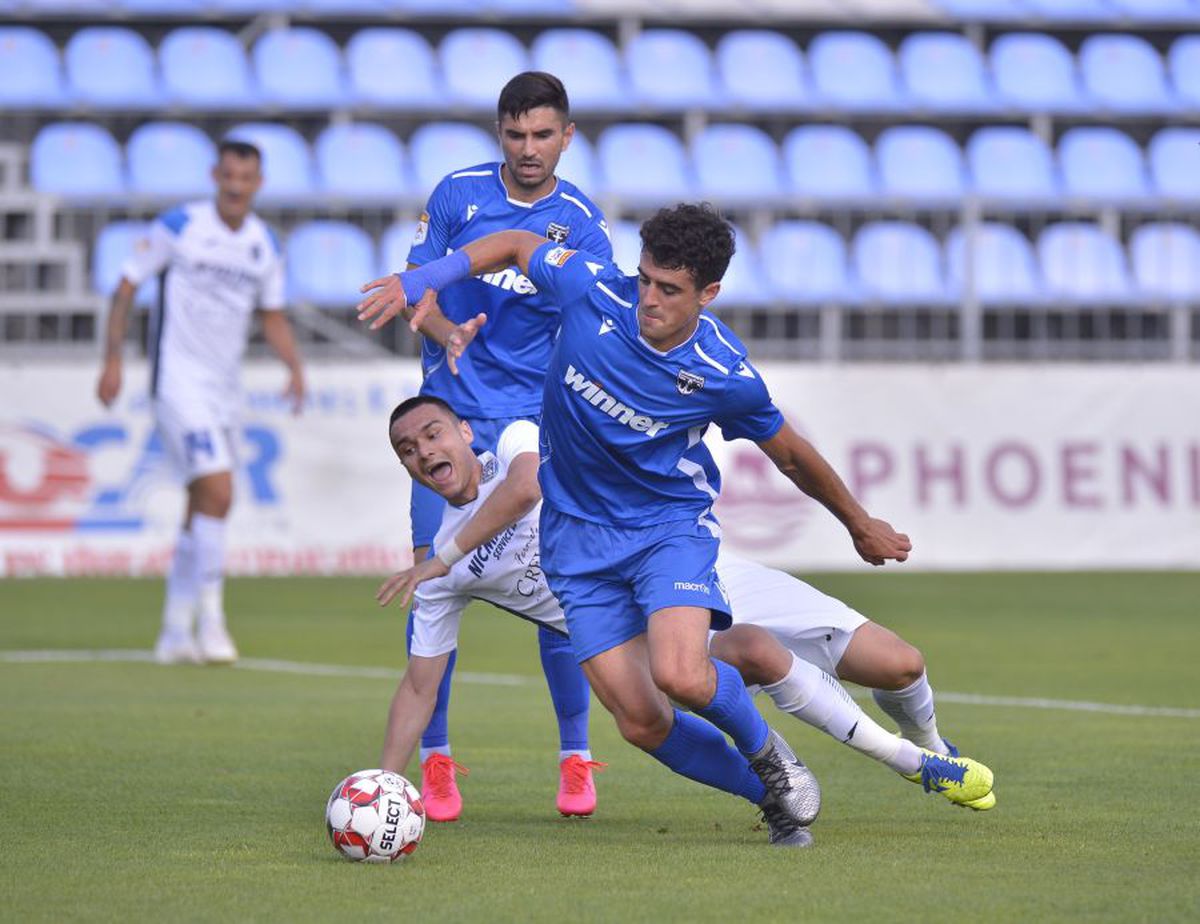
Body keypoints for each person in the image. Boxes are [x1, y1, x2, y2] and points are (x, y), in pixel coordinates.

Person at [358, 205, 984, 847]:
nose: (647, 299)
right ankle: (775, 787)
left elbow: (790, 453)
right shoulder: (592, 289)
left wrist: (858, 523)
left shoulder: (724, 375)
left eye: (669, 289)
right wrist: (422, 278)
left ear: (708, 293)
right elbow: (519, 242)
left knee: (708, 673)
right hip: (576, 547)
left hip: (665, 534)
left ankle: (828, 751)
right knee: (638, 720)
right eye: (646, 279)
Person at [374, 397, 994, 839]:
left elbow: (528, 489)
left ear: (462, 430)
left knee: (898, 665)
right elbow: (418, 685)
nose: (424, 450)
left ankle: (934, 748)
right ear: (406, 469)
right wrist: (383, 785)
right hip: (634, 634)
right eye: (408, 449)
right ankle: (781, 794)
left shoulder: (514, 444)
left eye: (432, 433)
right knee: (646, 718)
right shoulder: (439, 577)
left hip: (697, 567)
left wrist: (442, 557)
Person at [387, 71, 613, 822]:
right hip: (448, 420)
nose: (528, 150)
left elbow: (593, 321)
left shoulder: (580, 223)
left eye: (542, 135)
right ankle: (437, 761)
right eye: (515, 135)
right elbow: (419, 289)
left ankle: (575, 758)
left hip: (534, 426)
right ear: (499, 135)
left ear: (567, 137)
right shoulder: (456, 193)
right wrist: (444, 329)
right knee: (433, 584)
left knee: (561, 595)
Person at [96, 138, 304, 666]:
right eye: (228, 176)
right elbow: (125, 286)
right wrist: (113, 360)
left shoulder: (264, 244)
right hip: (177, 381)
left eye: (246, 178)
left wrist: (295, 366)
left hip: (225, 388)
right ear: (215, 175)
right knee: (218, 488)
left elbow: (272, 315)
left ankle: (172, 630)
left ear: (258, 182)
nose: (236, 186)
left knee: (202, 503)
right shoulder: (179, 226)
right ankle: (212, 621)